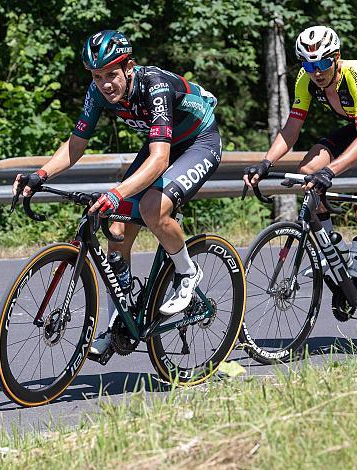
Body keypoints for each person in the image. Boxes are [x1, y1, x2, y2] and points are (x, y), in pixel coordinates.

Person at [12, 30, 222, 355]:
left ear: (129, 67)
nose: (105, 83)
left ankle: (187, 272)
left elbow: (160, 160)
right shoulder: (97, 93)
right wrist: (41, 174)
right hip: (160, 145)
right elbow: (76, 144)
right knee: (117, 229)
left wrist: (115, 193)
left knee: (153, 208)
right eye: (97, 76)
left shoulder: (154, 85)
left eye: (111, 74)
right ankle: (117, 326)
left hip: (198, 142)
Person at [243, 25, 357, 329]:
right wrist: (265, 162)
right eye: (309, 65)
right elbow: (291, 129)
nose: (317, 72)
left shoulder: (356, 74)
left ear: (336, 58)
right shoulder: (305, 81)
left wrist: (331, 170)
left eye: (323, 63)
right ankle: (335, 247)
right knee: (307, 171)